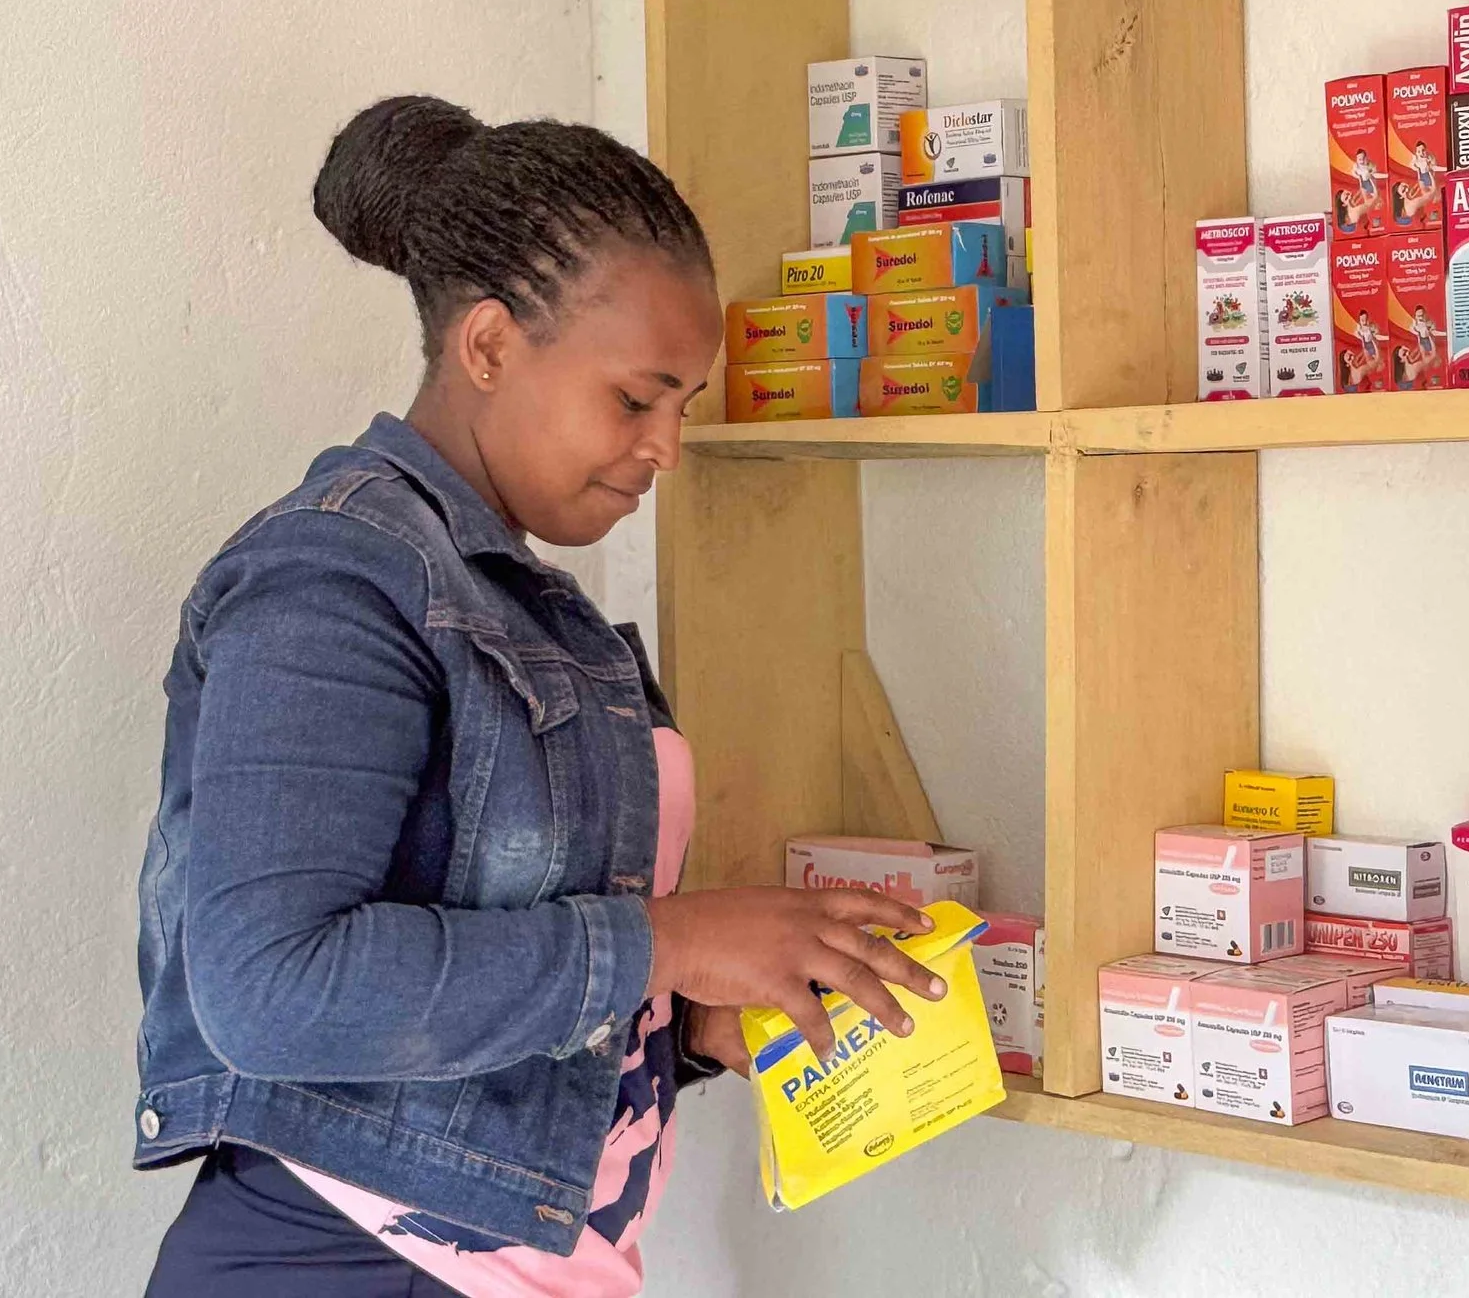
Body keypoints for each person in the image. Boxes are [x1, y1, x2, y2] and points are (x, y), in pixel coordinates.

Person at [134, 96, 944, 1295]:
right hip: (346, 1263)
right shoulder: (331, 579)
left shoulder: (524, 603)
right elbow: (272, 989)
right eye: (636, 398)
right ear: (491, 346)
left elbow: (510, 950)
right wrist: (671, 942)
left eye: (682, 406)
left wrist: (686, 1017)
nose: (666, 445)